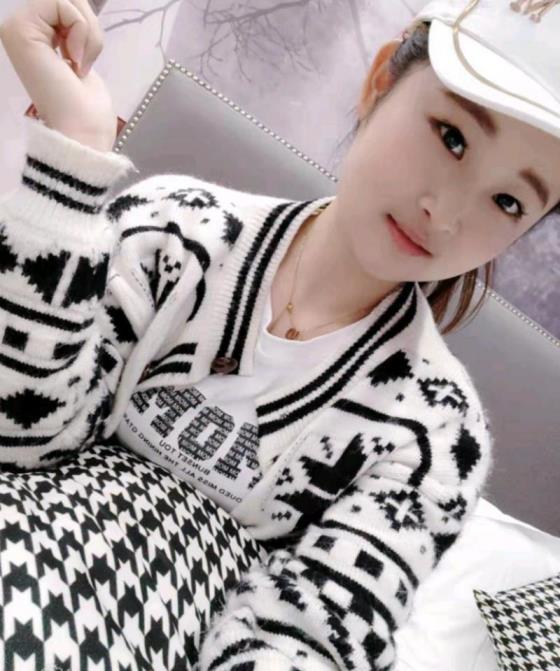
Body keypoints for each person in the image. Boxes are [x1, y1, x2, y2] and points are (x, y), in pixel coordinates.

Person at [0, 0, 558, 668]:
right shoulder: (174, 234)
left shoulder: (436, 437)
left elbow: (305, 641)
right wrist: (72, 159)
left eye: (508, 202)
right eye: (452, 137)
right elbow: (19, 433)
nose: (445, 215)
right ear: (381, 81)